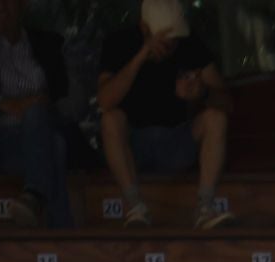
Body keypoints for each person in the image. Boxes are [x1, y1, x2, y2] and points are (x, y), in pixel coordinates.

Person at [97, 0, 235, 230]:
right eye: (164, 38)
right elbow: (105, 101)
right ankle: (135, 206)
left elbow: (227, 104)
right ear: (144, 29)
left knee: (216, 117)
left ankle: (205, 207)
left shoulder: (189, 45)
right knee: (110, 119)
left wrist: (201, 93)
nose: (171, 44)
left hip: (176, 142)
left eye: (175, 38)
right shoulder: (119, 43)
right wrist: (141, 56)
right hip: (135, 146)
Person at [0, 0, 77, 228]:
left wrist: (43, 104)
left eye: (8, 0)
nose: (1, 7)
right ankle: (58, 228)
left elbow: (75, 96)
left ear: (23, 5)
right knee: (56, 147)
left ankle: (34, 197)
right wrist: (6, 104)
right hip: (5, 139)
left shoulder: (47, 44)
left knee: (41, 117)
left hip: (46, 125)